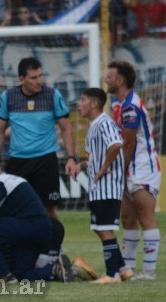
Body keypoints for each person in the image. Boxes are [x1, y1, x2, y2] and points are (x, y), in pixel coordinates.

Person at [0, 57, 77, 266]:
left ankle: (55, 250)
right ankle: (14, 254)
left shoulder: (52, 95)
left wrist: (71, 158)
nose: (39, 81)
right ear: (22, 79)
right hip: (18, 162)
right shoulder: (8, 97)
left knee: (48, 209)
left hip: (45, 160)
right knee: (13, 210)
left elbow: (66, 127)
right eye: (33, 77)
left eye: (40, 76)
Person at [0, 165, 75, 283]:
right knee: (21, 274)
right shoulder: (6, 180)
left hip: (30, 226)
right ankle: (55, 270)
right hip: (38, 231)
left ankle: (4, 275)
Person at [105, 60, 162, 281]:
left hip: (143, 166)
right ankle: (126, 270)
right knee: (127, 217)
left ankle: (149, 271)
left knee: (145, 215)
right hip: (130, 166)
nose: (105, 80)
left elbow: (128, 143)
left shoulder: (130, 106)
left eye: (109, 77)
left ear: (120, 81)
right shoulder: (118, 104)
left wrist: (118, 170)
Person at [73, 88, 134, 283]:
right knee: (99, 227)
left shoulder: (104, 122)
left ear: (93, 103)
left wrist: (102, 169)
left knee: (105, 229)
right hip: (99, 186)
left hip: (107, 186)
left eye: (82, 99)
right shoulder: (94, 125)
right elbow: (98, 154)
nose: (78, 104)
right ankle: (123, 269)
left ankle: (112, 274)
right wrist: (83, 165)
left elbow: (116, 144)